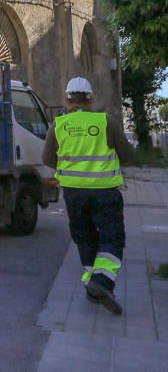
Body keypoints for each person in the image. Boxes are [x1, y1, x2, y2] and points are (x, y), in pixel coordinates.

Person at [43, 77, 133, 315]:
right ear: (91, 99)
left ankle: (92, 285)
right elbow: (127, 155)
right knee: (112, 238)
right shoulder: (105, 122)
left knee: (85, 237)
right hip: (105, 192)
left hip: (74, 195)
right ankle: (102, 282)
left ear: (67, 99)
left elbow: (47, 159)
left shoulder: (58, 125)